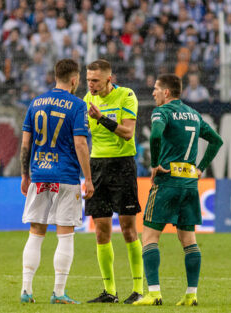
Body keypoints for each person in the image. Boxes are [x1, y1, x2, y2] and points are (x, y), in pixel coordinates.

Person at [133, 74, 223, 306]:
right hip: (189, 184)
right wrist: (201, 168)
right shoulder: (193, 114)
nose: (153, 92)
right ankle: (191, 294)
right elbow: (216, 141)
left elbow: (154, 134)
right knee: (188, 239)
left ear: (167, 92)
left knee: (150, 237)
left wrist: (154, 165)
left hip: (167, 181)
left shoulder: (162, 112)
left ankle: (153, 293)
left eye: (156, 89)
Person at [19, 58, 94, 304]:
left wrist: (25, 174)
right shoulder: (77, 105)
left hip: (39, 176)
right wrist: (89, 178)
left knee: (36, 232)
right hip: (65, 177)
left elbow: (25, 144)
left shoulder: (36, 102)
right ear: (74, 80)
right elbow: (81, 143)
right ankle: (59, 292)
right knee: (65, 235)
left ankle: (26, 291)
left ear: (55, 76)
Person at [83, 59, 144, 304]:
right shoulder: (87, 100)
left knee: (129, 228)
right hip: (98, 166)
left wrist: (102, 120)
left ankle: (138, 290)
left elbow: (128, 132)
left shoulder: (127, 96)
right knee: (101, 231)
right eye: (88, 80)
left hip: (122, 165)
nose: (91, 85)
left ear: (109, 79)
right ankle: (110, 292)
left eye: (95, 80)